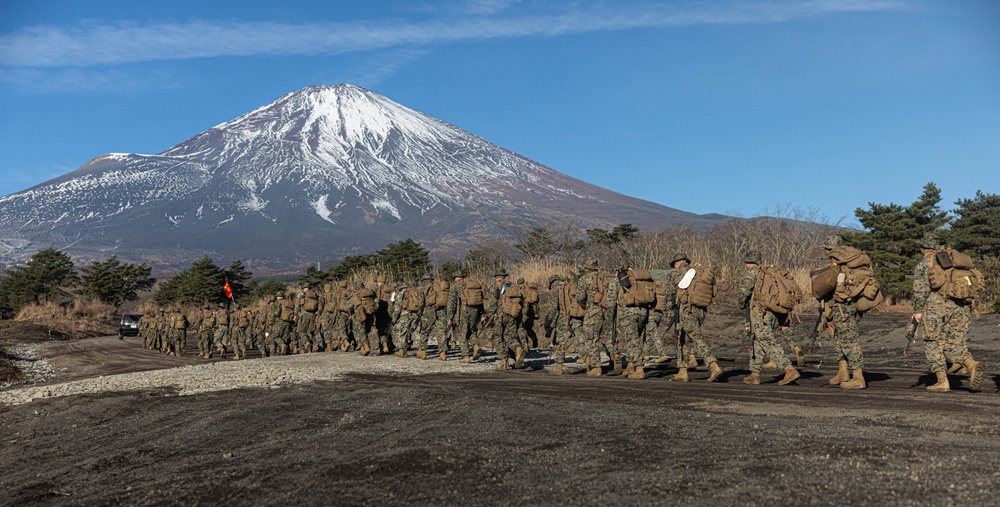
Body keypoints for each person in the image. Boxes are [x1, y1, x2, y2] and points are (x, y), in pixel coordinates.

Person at [913, 233, 985, 392]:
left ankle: (942, 381)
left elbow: (920, 291)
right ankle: (971, 365)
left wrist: (917, 312)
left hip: (936, 306)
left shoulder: (925, 264)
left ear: (923, 247)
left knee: (932, 342)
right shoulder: (950, 261)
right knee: (954, 341)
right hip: (959, 306)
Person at [738, 251, 800, 385]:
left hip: (759, 311)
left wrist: (741, 304)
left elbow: (743, 293)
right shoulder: (767, 274)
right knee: (758, 340)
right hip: (772, 312)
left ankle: (788, 369)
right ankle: (754, 374)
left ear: (748, 263)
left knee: (766, 339)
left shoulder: (751, 274)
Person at [664, 254, 723, 382]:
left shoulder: (675, 274)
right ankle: (682, 371)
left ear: (677, 263)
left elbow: (669, 295)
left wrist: (671, 307)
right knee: (684, 340)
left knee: (696, 338)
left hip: (685, 311)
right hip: (700, 311)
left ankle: (714, 366)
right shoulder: (698, 273)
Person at [822, 235, 868, 389]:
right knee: (839, 338)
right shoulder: (852, 261)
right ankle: (843, 371)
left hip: (841, 307)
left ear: (829, 249)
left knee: (849, 340)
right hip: (852, 305)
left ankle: (858, 377)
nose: (825, 251)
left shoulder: (833, 263)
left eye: (826, 248)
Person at [446, 269, 484, 363]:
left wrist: (450, 317)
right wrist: (481, 313)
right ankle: (476, 346)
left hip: (463, 311)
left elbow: (451, 302)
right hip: (475, 310)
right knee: (472, 330)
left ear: (455, 278)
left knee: (462, 333)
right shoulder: (472, 284)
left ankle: (465, 356)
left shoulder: (455, 286)